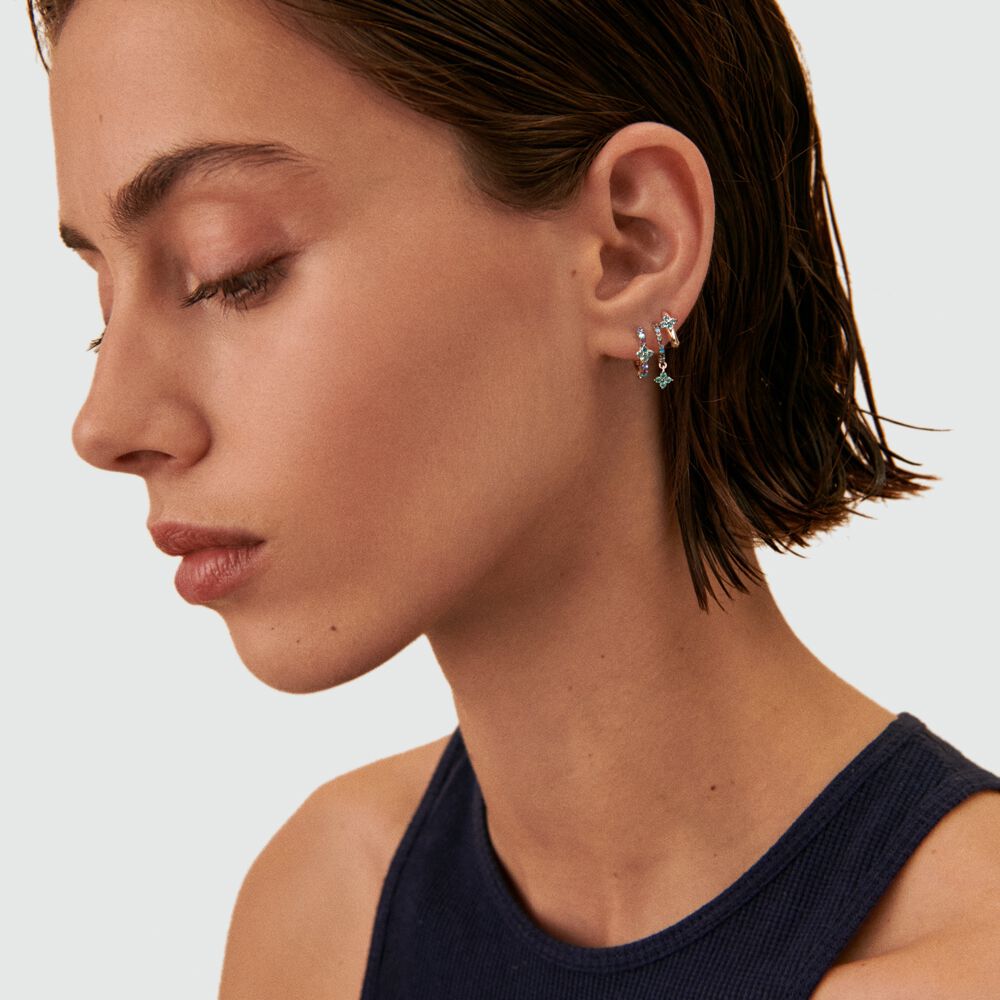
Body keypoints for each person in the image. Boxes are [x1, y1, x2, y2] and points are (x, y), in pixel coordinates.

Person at [27, 0, 1000, 997]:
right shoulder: (323, 915)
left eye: (229, 272)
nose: (104, 423)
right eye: (104, 303)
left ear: (632, 247)